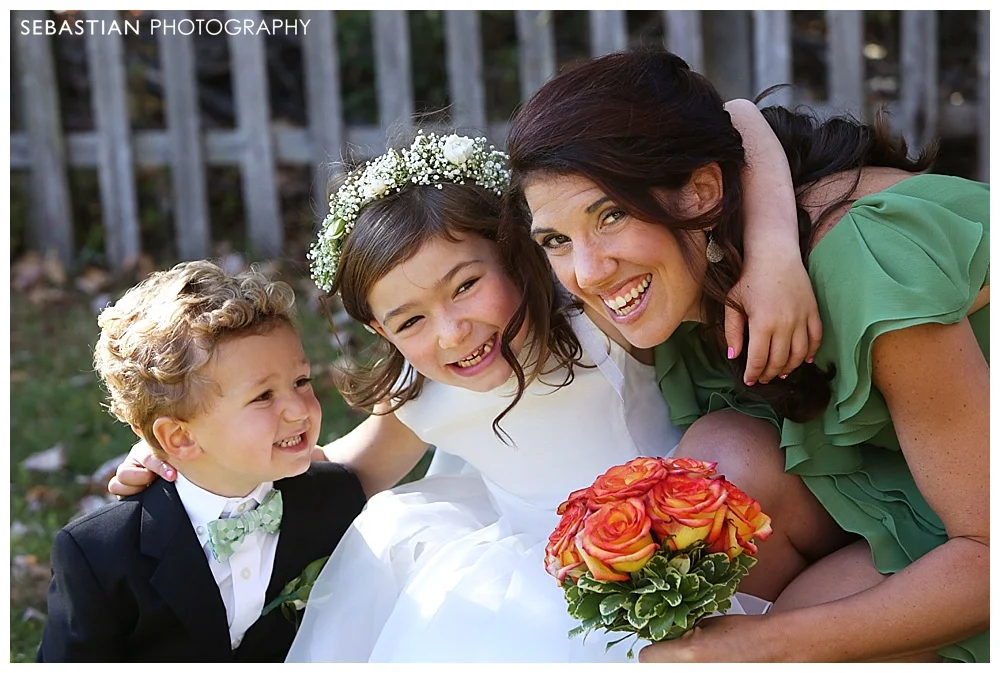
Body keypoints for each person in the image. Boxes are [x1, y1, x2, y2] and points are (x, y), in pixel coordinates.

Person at [109, 119, 818, 663]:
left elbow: (738, 117)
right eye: (410, 320)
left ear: (514, 250)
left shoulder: (598, 319)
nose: (452, 333)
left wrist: (778, 250)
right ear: (382, 332)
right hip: (521, 577)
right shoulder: (422, 391)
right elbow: (349, 468)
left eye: (467, 284)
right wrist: (197, 466)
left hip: (670, 540)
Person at [504, 48, 989, 663]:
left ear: (702, 191)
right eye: (557, 240)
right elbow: (735, 115)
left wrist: (762, 645)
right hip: (905, 493)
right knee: (714, 479)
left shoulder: (861, 260)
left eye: (612, 214)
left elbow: (989, 551)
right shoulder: (689, 272)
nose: (589, 272)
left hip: (982, 529)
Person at [37, 261, 367, 662]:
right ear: (180, 437)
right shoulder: (99, 554)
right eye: (263, 396)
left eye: (300, 381)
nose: (299, 409)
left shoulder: (336, 500)